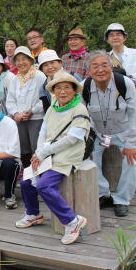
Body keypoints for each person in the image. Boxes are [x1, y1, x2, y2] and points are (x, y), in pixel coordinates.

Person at [15, 70, 90, 245]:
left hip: (67, 155)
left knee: (44, 185)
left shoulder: (80, 109)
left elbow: (72, 139)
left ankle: (72, 221)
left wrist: (43, 152)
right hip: (48, 152)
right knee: (26, 181)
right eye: (58, 88)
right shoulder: (53, 108)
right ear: (54, 91)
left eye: (66, 88)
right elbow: (43, 132)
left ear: (74, 90)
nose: (62, 92)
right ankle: (33, 213)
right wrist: (38, 152)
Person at [82, 51, 136, 217]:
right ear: (89, 70)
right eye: (95, 66)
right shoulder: (84, 86)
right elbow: (80, 115)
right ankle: (102, 193)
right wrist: (86, 140)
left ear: (111, 67)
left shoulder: (125, 84)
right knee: (88, 159)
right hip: (100, 134)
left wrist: (130, 144)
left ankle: (122, 200)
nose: (100, 70)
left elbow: (134, 116)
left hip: (125, 133)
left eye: (104, 65)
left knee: (132, 162)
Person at [6, 46, 46, 168]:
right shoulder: (14, 79)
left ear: (30, 60)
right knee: (23, 148)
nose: (21, 62)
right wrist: (15, 113)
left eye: (24, 59)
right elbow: (10, 100)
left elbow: (45, 99)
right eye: (17, 60)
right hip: (20, 119)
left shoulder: (39, 76)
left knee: (36, 146)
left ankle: (39, 172)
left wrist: (33, 111)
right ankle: (27, 172)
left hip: (36, 118)